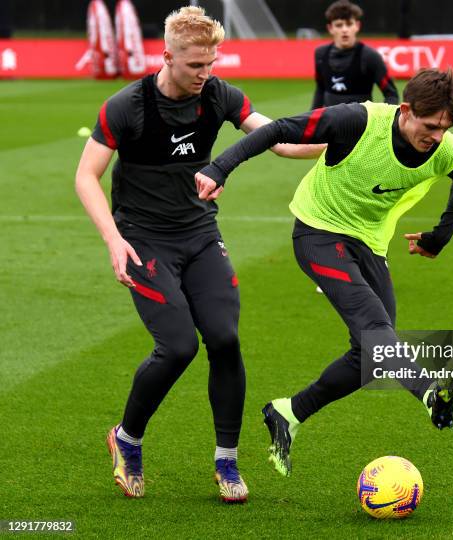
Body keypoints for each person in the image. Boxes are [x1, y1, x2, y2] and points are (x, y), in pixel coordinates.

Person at [75, 5, 322, 501]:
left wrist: (343, 133)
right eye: (194, 65)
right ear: (167, 56)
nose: (204, 74)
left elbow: (280, 142)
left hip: (200, 235)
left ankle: (227, 463)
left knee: (225, 339)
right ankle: (127, 439)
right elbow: (86, 176)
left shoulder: (219, 95)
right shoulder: (128, 105)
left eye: (211, 63)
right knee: (179, 346)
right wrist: (113, 240)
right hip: (143, 239)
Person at [195, 67, 453, 477]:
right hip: (318, 234)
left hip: (368, 243)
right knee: (378, 329)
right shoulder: (357, 121)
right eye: (430, 125)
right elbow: (279, 130)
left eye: (444, 127)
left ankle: (288, 413)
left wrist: (439, 237)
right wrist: (220, 167)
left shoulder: (447, 149)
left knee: (372, 355)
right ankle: (430, 393)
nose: (435, 136)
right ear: (405, 111)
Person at [311, 0, 399, 110]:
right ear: (330, 28)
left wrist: (382, 122)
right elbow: (320, 89)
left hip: (360, 125)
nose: (344, 30)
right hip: (330, 124)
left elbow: (391, 95)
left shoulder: (370, 57)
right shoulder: (320, 54)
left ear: (357, 26)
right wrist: (312, 120)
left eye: (349, 24)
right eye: (339, 25)